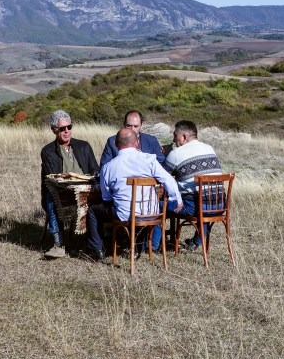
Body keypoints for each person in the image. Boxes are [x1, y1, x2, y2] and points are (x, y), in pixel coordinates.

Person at [86, 128, 182, 260]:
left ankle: (97, 248)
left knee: (92, 210)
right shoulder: (149, 160)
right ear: (137, 143)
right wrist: (177, 199)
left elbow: (106, 196)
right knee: (135, 210)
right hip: (151, 213)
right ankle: (138, 247)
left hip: (125, 215)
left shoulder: (108, 167)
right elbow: (168, 179)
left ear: (115, 143)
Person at [41, 109, 99, 259]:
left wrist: (91, 176)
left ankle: (93, 241)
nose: (67, 131)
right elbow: (53, 178)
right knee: (51, 199)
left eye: (69, 127)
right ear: (54, 130)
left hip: (86, 188)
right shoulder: (48, 151)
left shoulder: (83, 146)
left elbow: (94, 169)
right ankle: (58, 244)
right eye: (62, 129)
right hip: (62, 190)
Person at [164, 120, 223, 251]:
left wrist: (165, 154)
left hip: (196, 207)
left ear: (184, 137)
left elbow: (163, 175)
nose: (174, 140)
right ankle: (195, 242)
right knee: (204, 201)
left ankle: (153, 244)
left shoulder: (176, 153)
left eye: (175, 136)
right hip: (220, 205)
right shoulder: (209, 148)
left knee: (157, 205)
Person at [99, 110, 165, 168]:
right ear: (124, 124)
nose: (132, 129)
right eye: (129, 126)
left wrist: (144, 159)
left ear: (141, 125)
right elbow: (104, 165)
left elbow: (160, 161)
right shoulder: (112, 141)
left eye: (136, 126)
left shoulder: (151, 140)